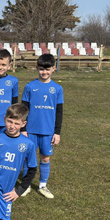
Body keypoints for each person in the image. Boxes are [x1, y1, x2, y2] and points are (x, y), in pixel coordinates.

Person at [20, 53, 64, 199]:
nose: (44, 72)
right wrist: (23, 129)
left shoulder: (57, 89)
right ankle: (26, 185)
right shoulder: (30, 86)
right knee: (28, 158)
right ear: (37, 68)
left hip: (47, 131)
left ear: (53, 68)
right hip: (31, 131)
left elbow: (59, 112)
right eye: (41, 69)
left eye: (47, 69)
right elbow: (24, 109)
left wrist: (57, 132)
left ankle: (42, 185)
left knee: (45, 158)